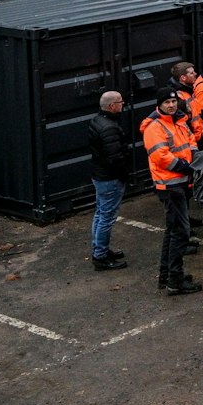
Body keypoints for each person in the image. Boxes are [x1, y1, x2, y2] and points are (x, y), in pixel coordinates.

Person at [141, 88, 201, 295]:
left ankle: (168, 276)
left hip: (180, 183)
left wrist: (193, 157)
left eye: (174, 102)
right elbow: (161, 156)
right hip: (171, 184)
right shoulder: (155, 127)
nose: (172, 105)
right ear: (159, 105)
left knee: (173, 230)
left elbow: (190, 141)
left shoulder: (178, 121)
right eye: (167, 102)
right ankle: (174, 281)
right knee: (180, 233)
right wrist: (185, 166)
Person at [87, 91, 130, 271]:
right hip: (110, 178)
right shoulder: (110, 127)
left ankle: (99, 249)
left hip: (100, 175)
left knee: (100, 213)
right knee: (107, 216)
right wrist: (124, 176)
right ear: (112, 106)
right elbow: (115, 158)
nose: (123, 104)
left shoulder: (97, 121)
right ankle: (101, 256)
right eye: (121, 102)